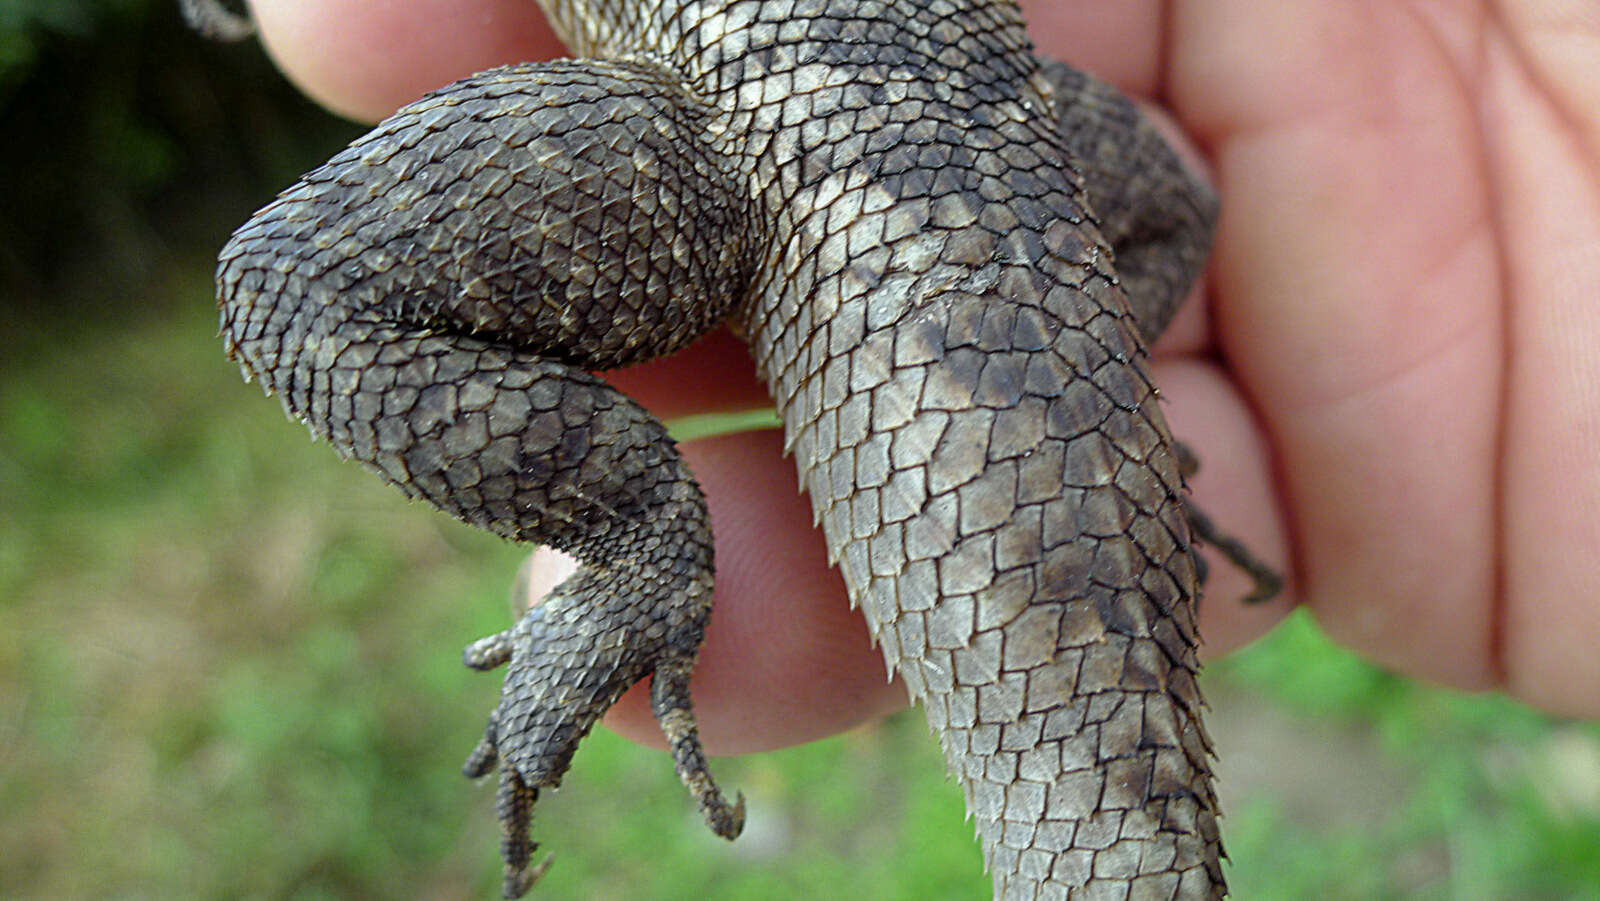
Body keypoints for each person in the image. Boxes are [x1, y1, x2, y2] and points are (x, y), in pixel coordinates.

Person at [238, 0, 1600, 749]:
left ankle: (647, 549)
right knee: (1169, 205)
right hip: (941, 99)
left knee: (295, 289)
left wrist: (1075, 421)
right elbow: (1166, 214)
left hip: (774, 107)